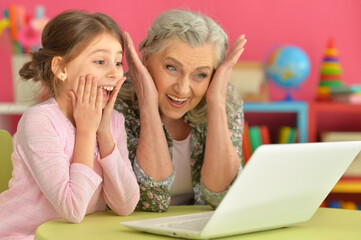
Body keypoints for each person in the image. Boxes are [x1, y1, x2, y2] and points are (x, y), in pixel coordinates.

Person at [0, 10, 139, 239]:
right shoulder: (40, 121)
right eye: (100, 61)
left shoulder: (113, 122)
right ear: (61, 68)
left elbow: (125, 205)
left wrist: (103, 132)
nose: (114, 73)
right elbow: (73, 209)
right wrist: (86, 132)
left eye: (117, 62)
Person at [115, 9, 247, 212]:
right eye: (172, 68)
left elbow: (225, 198)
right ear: (147, 59)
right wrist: (148, 103)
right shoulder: (116, 103)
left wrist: (216, 102)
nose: (182, 89)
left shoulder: (225, 101)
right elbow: (151, 201)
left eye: (200, 75)